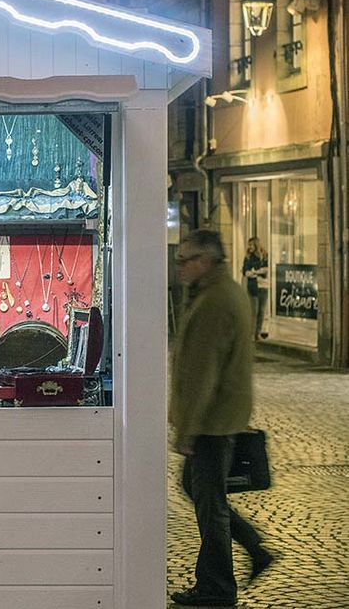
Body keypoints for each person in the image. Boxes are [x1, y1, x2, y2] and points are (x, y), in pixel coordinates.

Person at [170, 230, 273, 607]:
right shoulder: (218, 292)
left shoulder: (215, 301)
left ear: (207, 261)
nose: (180, 267)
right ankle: (254, 548)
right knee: (201, 493)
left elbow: (202, 373)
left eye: (186, 260)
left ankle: (217, 587)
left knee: (209, 506)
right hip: (222, 416)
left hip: (212, 421)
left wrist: (187, 430)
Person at [242, 237, 270, 340]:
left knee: (261, 311)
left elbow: (266, 269)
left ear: (256, 245)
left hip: (263, 286)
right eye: (248, 245)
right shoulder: (248, 257)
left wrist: (255, 272)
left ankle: (258, 333)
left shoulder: (264, 256)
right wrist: (254, 272)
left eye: (251, 245)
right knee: (254, 310)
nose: (249, 247)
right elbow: (246, 272)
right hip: (253, 287)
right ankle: (251, 334)